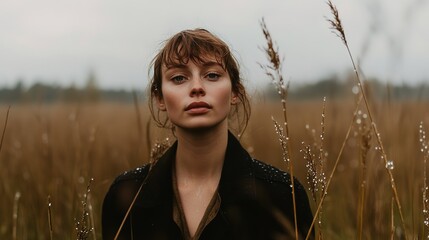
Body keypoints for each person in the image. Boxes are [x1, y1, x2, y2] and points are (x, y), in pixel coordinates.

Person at [102, 28, 314, 240]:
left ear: (234, 93)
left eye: (212, 75)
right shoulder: (127, 196)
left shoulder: (283, 195)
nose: (196, 87)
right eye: (178, 78)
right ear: (159, 98)